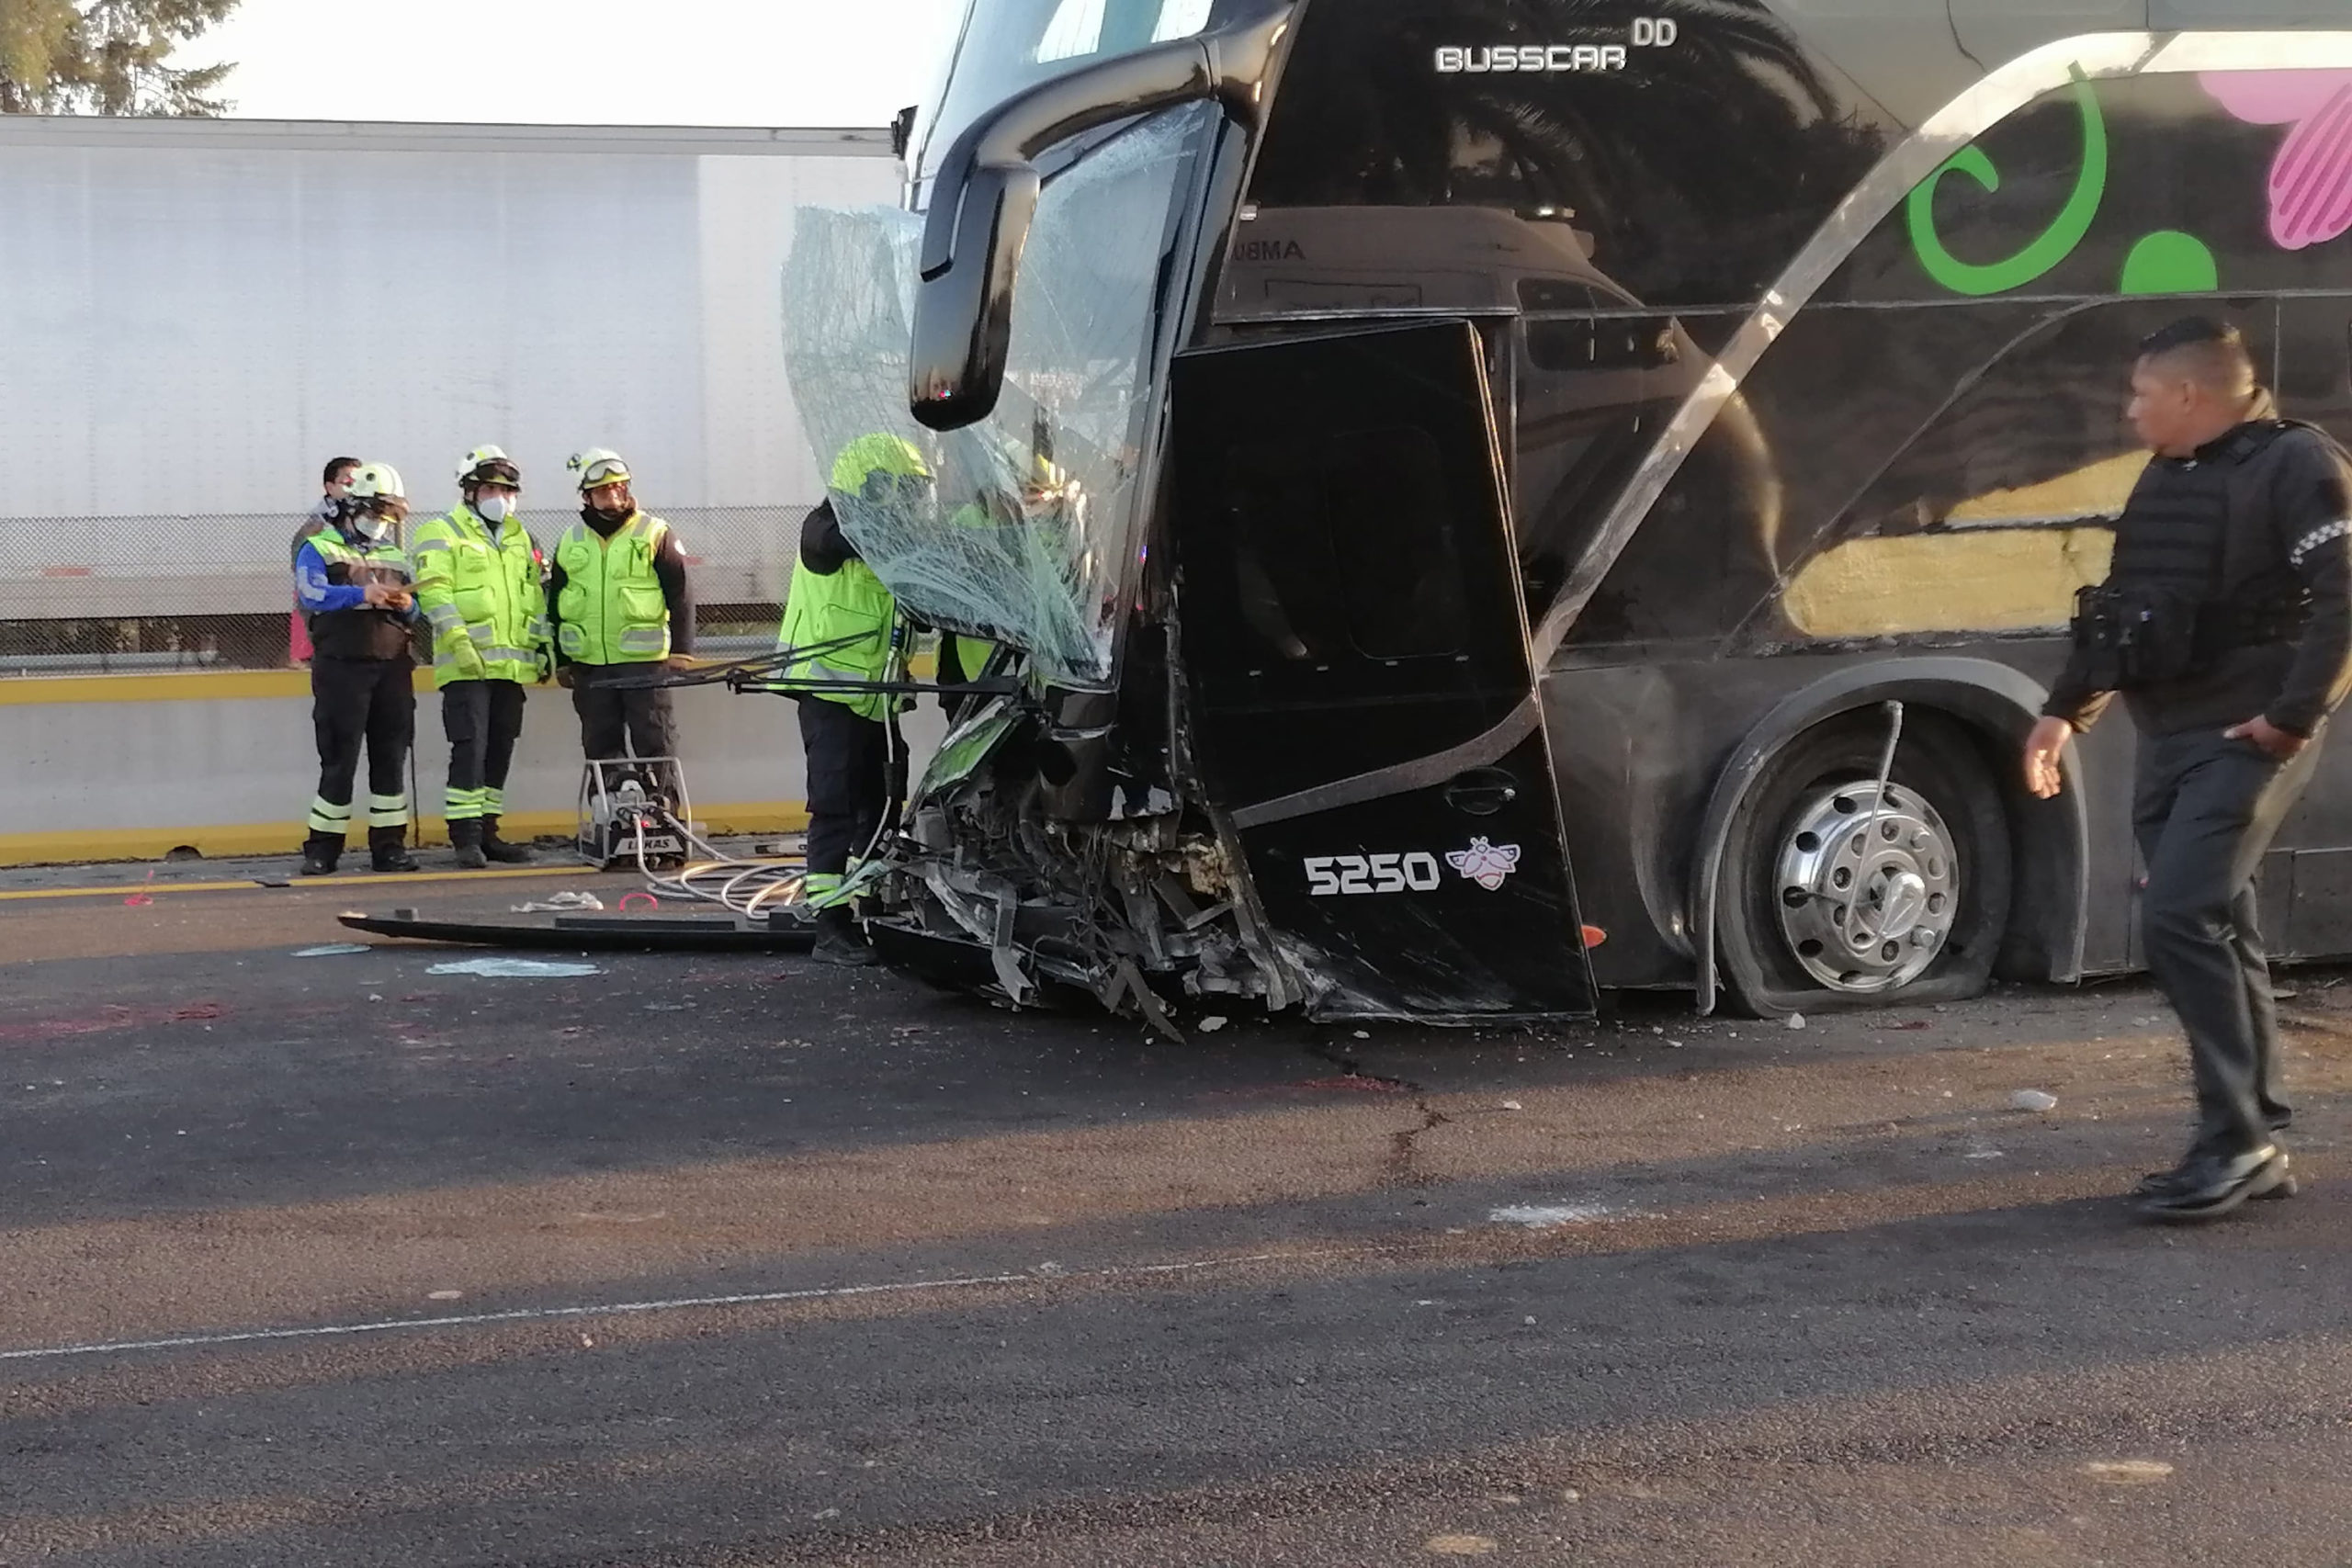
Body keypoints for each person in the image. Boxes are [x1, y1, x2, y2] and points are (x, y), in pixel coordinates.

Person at [2024, 316, 2352, 1222]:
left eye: (2138, 394)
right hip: (2171, 732)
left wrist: (2289, 721)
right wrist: (2062, 712)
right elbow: (2126, 608)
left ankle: (2237, 1137)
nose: (2127, 413)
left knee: (2178, 914)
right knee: (2215, 922)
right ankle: (2254, 1138)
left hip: (2245, 736)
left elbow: (2343, 601)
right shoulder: (2173, 474)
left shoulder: (2297, 466)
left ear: (2187, 395)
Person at [777, 434, 924, 965]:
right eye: (903, 491)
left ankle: (869, 906)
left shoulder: (895, 540)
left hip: (877, 699)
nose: (912, 503)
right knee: (835, 806)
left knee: (883, 803)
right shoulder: (825, 527)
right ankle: (831, 924)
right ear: (872, 486)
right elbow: (843, 541)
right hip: (831, 693)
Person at [410, 446, 550, 869]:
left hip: (511, 666)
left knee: (500, 749)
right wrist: (459, 641)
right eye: (491, 488)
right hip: (465, 666)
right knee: (470, 748)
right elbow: (435, 593)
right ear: (470, 490)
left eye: (508, 491)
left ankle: (489, 832)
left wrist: (544, 646)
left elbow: (534, 598)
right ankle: (465, 838)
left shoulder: (521, 538)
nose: (501, 498)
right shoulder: (440, 532)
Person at [294, 462, 420, 876]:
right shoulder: (320, 546)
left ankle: (389, 849)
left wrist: (407, 605)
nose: (381, 525)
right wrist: (361, 592)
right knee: (339, 760)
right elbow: (311, 594)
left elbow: (416, 611)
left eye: (388, 518)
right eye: (375, 515)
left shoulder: (395, 555)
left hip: (392, 668)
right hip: (341, 670)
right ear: (355, 508)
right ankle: (323, 850)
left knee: (390, 759)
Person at [548, 448, 695, 761]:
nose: (612, 494)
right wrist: (562, 660)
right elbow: (556, 603)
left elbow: (680, 592)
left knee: (655, 741)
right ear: (586, 496)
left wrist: (682, 650)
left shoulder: (655, 533)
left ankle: (661, 804)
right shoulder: (570, 540)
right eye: (602, 490)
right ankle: (609, 803)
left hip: (644, 665)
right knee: (600, 745)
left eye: (618, 487)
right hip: (590, 666)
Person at [289, 457, 360, 666]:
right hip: (331, 627)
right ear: (329, 487)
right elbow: (304, 583)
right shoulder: (313, 531)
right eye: (348, 483)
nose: (355, 489)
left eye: (361, 483)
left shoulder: (367, 526)